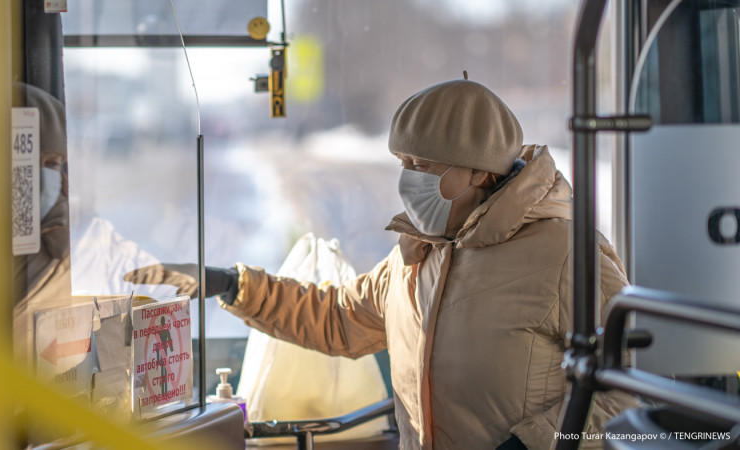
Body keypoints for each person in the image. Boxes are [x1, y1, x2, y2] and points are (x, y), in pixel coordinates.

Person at [126, 78, 637, 449]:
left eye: (422, 166)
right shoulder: (422, 255)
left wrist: (534, 445)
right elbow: (338, 318)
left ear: (479, 172)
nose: (407, 179)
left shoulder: (567, 254)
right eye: (402, 163)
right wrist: (230, 283)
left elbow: (630, 389)